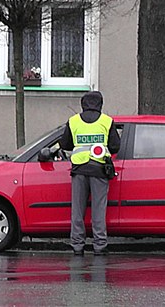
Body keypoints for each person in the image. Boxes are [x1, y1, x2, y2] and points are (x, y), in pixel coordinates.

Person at [60, 91, 121, 256]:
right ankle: (99, 245)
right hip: (99, 170)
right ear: (100, 104)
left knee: (77, 210)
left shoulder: (73, 121)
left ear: (83, 103)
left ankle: (77, 245)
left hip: (79, 170)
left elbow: (65, 143)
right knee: (98, 210)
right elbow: (115, 146)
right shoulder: (106, 121)